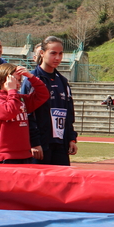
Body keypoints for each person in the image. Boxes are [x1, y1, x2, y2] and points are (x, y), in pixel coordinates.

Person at [22, 36, 78, 165]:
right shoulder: (31, 79)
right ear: (42, 53)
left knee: (62, 182)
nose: (57, 58)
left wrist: (71, 138)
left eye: (60, 53)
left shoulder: (63, 81)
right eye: (53, 53)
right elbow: (27, 113)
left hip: (61, 144)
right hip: (41, 144)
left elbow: (68, 113)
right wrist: (34, 142)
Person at [0, 63, 49, 164]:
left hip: (25, 153)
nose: (18, 84)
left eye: (20, 80)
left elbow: (43, 95)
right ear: (2, 80)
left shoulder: (19, 98)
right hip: (6, 154)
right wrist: (12, 91)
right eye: (15, 80)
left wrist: (31, 77)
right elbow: (10, 112)